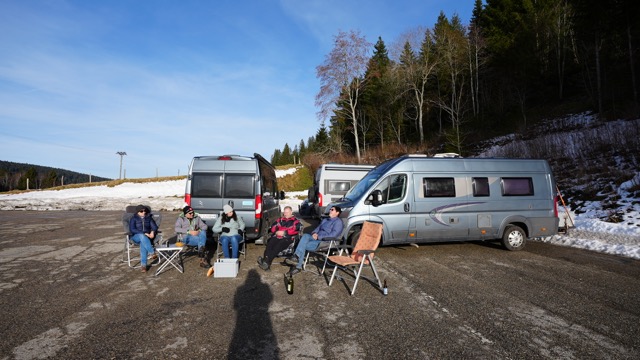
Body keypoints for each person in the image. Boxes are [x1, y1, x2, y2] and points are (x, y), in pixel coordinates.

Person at [287, 206, 344, 276]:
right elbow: (317, 228)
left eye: (332, 210)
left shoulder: (338, 222)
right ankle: (297, 257)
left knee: (302, 244)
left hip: (326, 241)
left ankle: (298, 265)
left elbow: (333, 235)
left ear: (337, 213)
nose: (330, 210)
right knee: (305, 236)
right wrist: (314, 233)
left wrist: (319, 236)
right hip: (316, 238)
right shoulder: (325, 220)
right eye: (330, 209)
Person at [257, 206, 302, 271]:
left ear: (291, 212)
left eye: (287, 212)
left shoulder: (295, 221)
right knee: (270, 244)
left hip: (287, 238)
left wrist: (284, 232)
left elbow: (295, 230)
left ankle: (266, 262)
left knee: (277, 246)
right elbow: (273, 227)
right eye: (284, 212)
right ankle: (266, 263)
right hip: (277, 236)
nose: (285, 214)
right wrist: (276, 231)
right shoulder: (280, 220)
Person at [129, 204, 158, 273]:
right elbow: (132, 229)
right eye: (141, 211)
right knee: (142, 236)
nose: (144, 212)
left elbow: (154, 227)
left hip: (146, 239)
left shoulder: (149, 218)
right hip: (136, 237)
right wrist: (144, 233)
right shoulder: (133, 218)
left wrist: (152, 232)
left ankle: (143, 266)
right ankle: (152, 252)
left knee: (143, 243)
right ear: (137, 212)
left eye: (144, 211)